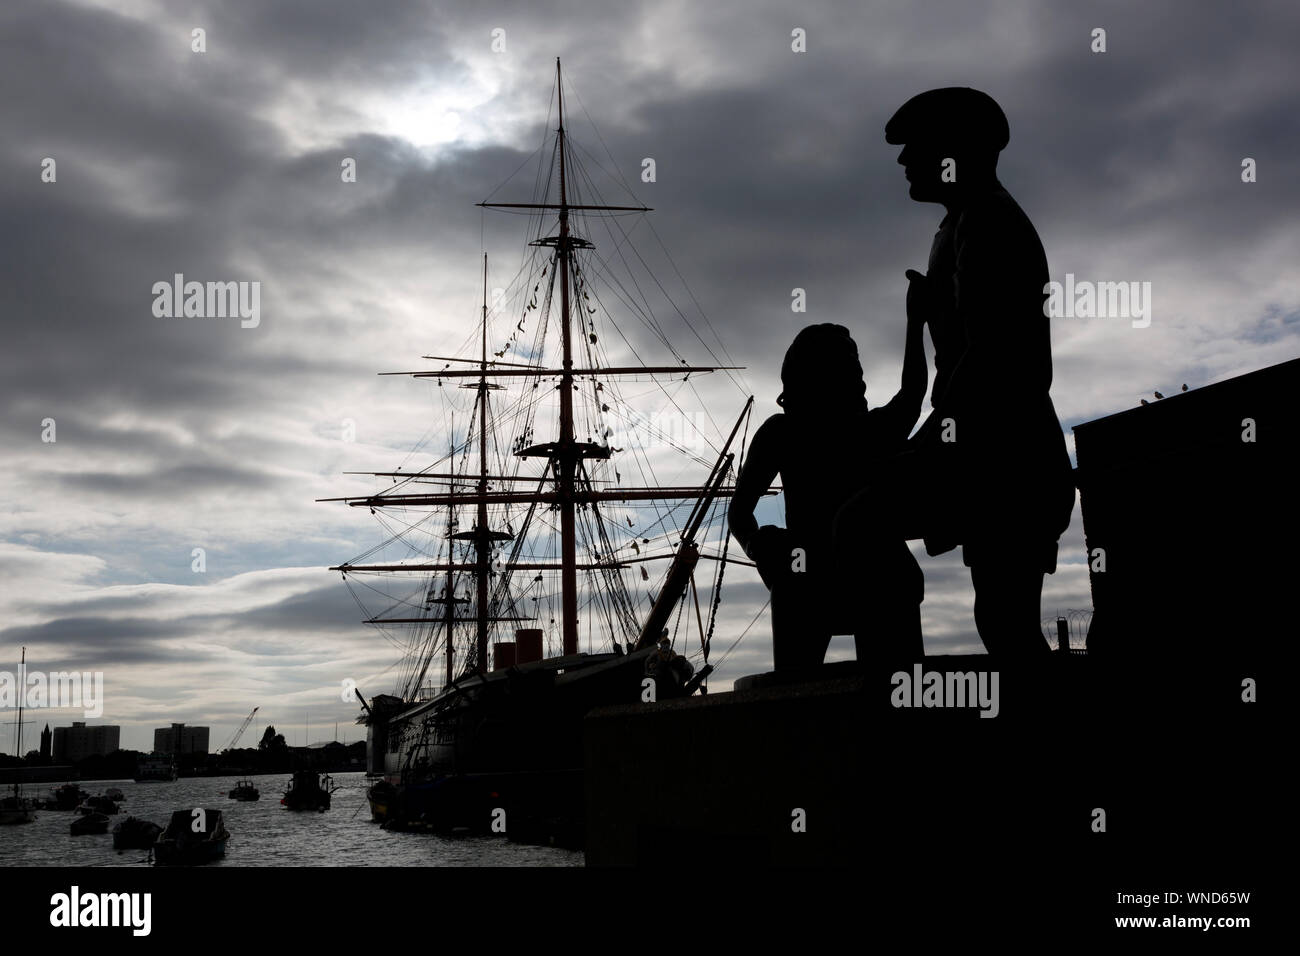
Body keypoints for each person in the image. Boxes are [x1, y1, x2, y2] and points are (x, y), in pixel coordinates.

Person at [833, 88, 1075, 657]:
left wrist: (927, 444)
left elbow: (995, 361)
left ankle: (901, 696)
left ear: (956, 151)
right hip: (994, 456)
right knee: (1003, 621)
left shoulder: (988, 222)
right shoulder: (963, 224)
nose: (902, 161)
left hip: (1007, 459)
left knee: (863, 526)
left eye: (916, 147)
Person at [728, 315, 929, 671]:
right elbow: (740, 513)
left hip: (868, 573)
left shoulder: (860, 430)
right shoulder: (785, 433)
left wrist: (916, 323)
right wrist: (759, 546)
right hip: (812, 575)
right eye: (852, 372)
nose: (861, 382)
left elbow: (912, 394)